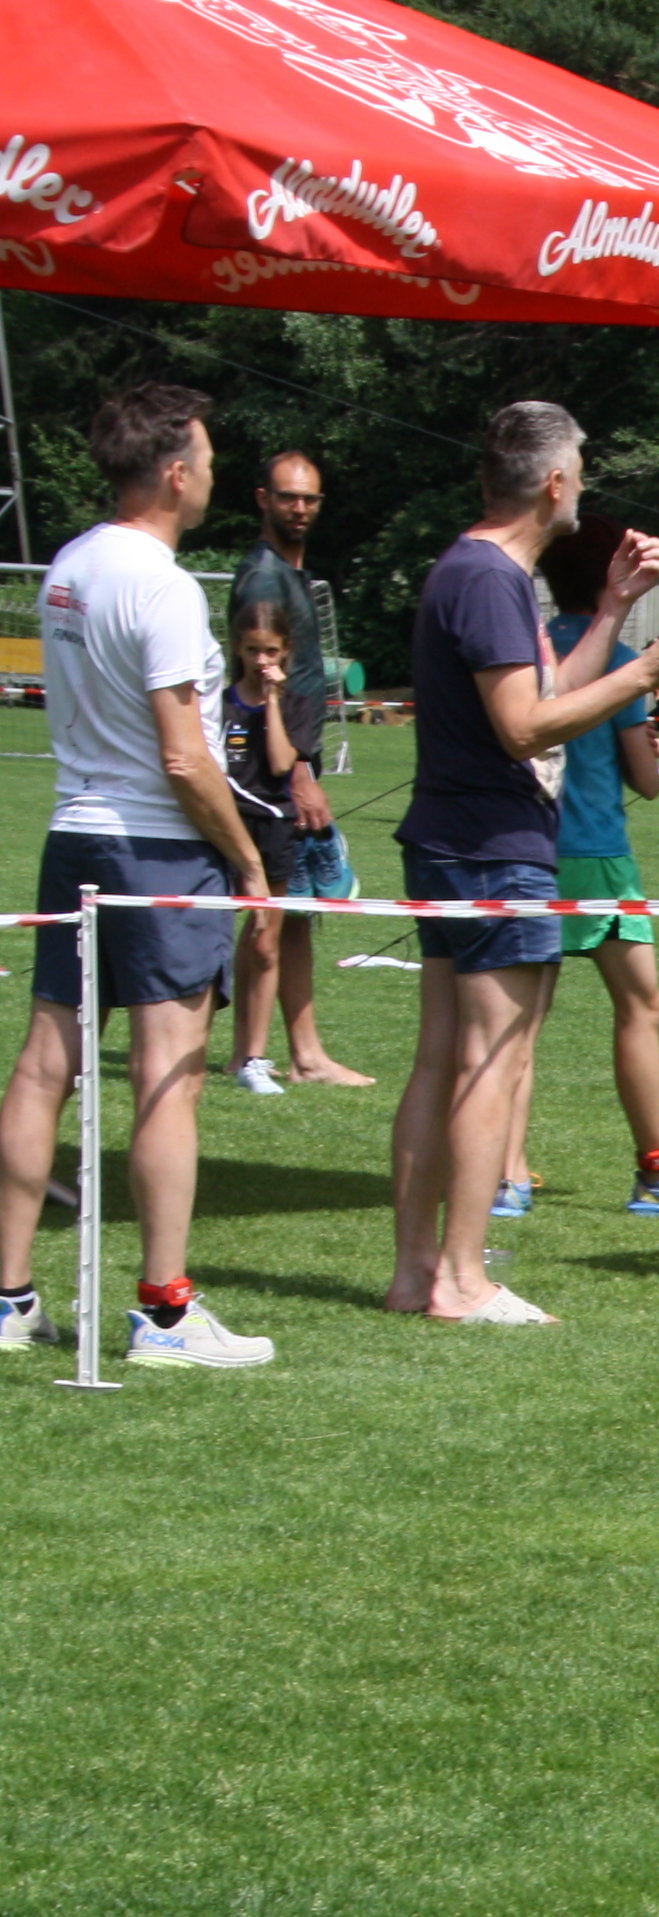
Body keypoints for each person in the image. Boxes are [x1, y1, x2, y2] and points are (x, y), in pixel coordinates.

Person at [385, 403, 659, 1326]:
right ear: (554, 482)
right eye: (581, 468)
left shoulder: (479, 570)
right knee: (487, 1064)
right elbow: (525, 727)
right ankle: (461, 1279)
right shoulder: (490, 578)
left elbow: (546, 692)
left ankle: (418, 1275)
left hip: (462, 840)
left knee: (443, 1060)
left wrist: (614, 610)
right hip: (493, 847)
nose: (584, 484)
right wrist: (647, 671)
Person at [0, 385, 280, 1368]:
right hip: (156, 849)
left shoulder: (72, 563)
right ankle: (165, 1314)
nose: (212, 474)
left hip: (74, 833)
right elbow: (183, 756)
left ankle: (8, 1300)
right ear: (173, 472)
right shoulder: (161, 585)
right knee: (171, 1075)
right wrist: (248, 860)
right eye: (205, 459)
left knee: (45, 1066)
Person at [524, 520, 659, 1228]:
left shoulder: (532, 648)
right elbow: (647, 782)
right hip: (598, 856)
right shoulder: (619, 659)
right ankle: (658, 1171)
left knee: (520, 1023)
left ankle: (503, 1173)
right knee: (642, 1007)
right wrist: (641, 735)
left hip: (532, 853)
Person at [225, 448, 368, 1093]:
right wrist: (301, 775)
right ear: (264, 499)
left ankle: (282, 1052)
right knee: (272, 914)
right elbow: (259, 682)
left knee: (286, 913)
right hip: (272, 775)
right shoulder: (263, 578)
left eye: (310, 498)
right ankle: (276, 1055)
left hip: (288, 763)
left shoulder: (286, 572)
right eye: (288, 496)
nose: (301, 508)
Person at [213, 602, 374, 1092]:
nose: (261, 660)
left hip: (276, 831)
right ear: (237, 649)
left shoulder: (298, 706)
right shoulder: (218, 704)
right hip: (223, 829)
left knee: (266, 941)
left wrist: (273, 699)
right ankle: (222, 1052)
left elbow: (283, 762)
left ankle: (254, 1059)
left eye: (271, 651)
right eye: (252, 651)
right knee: (211, 939)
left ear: (286, 652)